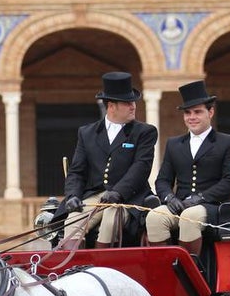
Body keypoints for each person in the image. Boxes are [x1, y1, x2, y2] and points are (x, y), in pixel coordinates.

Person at [58, 72, 157, 249]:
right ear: (111, 106)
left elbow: (141, 168)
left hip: (129, 197)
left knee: (111, 220)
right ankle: (74, 264)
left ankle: (100, 263)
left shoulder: (145, 132)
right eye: (127, 103)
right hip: (94, 196)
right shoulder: (87, 132)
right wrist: (72, 196)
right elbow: (77, 171)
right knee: (73, 220)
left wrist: (118, 192)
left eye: (133, 102)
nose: (133, 106)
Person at [146, 80, 230, 258]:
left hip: (214, 206)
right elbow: (163, 180)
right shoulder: (174, 144)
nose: (192, 117)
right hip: (180, 204)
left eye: (197, 112)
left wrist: (201, 197)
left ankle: (190, 269)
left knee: (189, 217)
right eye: (187, 113)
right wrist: (169, 198)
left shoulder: (227, 142)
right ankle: (164, 267)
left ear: (210, 112)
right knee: (154, 216)